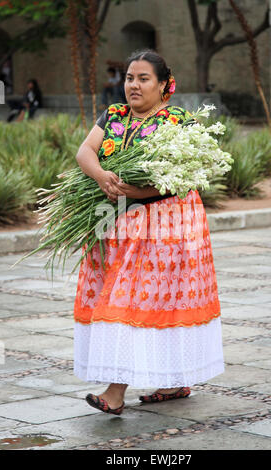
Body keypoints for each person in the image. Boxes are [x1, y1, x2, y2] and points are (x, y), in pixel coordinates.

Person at [73, 49, 225, 415]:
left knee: (133, 301)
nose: (134, 85)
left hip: (165, 227)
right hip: (112, 221)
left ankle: (115, 392)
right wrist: (101, 176)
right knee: (145, 302)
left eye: (143, 79)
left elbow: (185, 177)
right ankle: (173, 382)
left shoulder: (178, 121)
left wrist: (140, 193)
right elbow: (85, 151)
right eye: (129, 78)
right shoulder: (114, 115)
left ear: (162, 85)